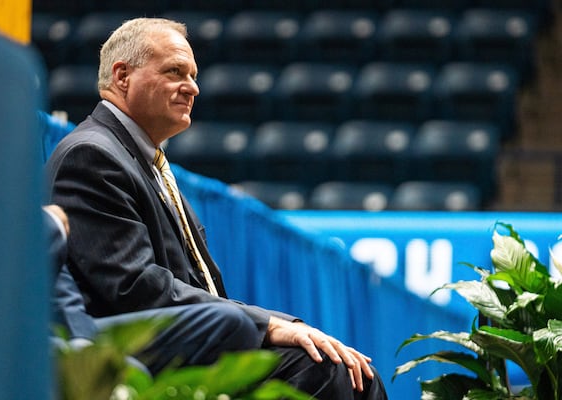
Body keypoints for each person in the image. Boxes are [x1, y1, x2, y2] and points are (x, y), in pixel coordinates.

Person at [45, 17, 387, 399]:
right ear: (122, 76)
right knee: (330, 373)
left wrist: (267, 323)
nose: (192, 87)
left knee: (353, 372)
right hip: (134, 356)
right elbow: (135, 288)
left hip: (190, 337)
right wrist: (267, 325)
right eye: (175, 72)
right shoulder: (92, 155)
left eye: (193, 75)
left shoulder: (141, 158)